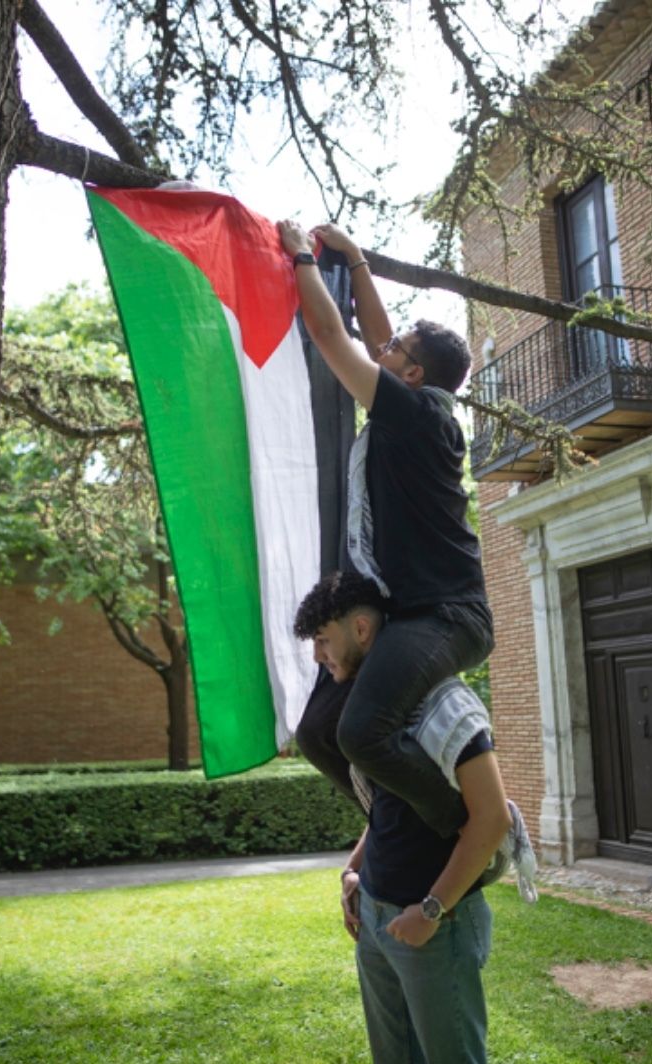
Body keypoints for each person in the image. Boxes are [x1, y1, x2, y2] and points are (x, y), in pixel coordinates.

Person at [277, 219, 493, 840]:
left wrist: (302, 259)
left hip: (449, 617)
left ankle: (458, 829)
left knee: (359, 731)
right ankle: (389, 819)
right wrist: (358, 260)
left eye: (398, 350)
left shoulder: (420, 413)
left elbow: (329, 332)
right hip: (411, 616)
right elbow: (375, 342)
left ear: (415, 375)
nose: (384, 349)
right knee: (319, 732)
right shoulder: (415, 404)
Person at [295, 572, 510, 1064]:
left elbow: (492, 818)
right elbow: (387, 806)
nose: (317, 656)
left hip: (436, 925)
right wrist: (355, 870)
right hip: (375, 916)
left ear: (363, 630)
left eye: (324, 640)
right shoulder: (368, 712)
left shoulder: (447, 702)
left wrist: (430, 912)